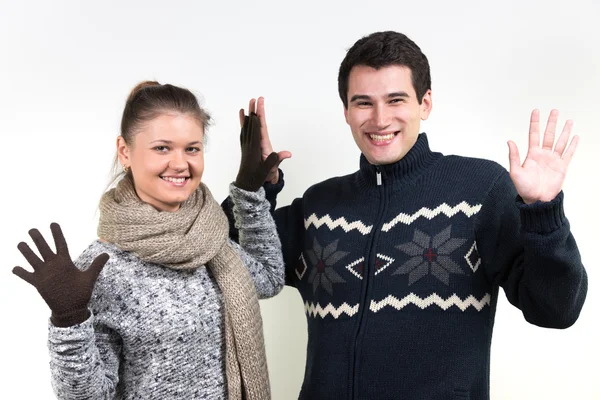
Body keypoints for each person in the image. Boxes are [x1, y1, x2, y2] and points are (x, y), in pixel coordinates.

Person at [224, 31, 588, 399]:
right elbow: (221, 261)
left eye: (395, 99)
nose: (380, 119)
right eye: (363, 103)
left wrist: (544, 214)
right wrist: (255, 187)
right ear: (346, 111)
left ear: (425, 104)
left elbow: (556, 310)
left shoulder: (480, 190)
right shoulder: (319, 207)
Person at [13, 81, 284, 400]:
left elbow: (269, 279)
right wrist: (69, 320)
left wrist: (250, 193)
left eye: (192, 148)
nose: (181, 164)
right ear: (125, 152)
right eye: (162, 148)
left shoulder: (208, 237)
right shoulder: (103, 267)